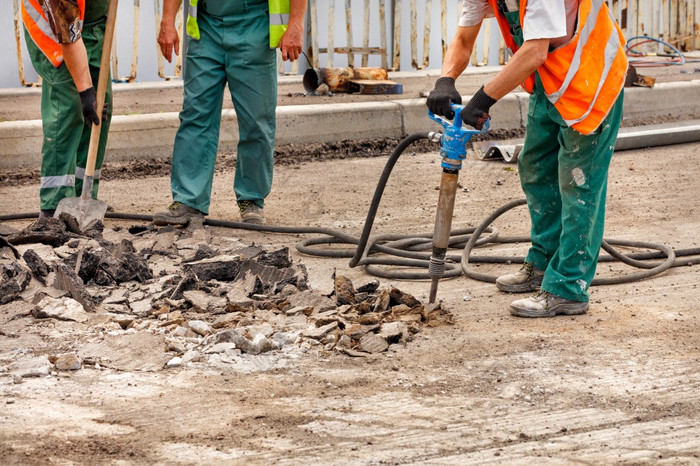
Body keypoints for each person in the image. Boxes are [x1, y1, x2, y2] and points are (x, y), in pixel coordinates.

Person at [427, 0, 627, 318]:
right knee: (534, 165)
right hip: (550, 84)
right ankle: (543, 263)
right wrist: (445, 80)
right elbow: (464, 39)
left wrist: (482, 100)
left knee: (578, 181)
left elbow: (534, 51)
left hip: (591, 80)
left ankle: (568, 288)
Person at [153, 0, 306, 226]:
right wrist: (167, 20)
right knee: (195, 115)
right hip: (206, 26)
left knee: (256, 119)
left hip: (254, 24)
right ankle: (188, 200)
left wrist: (296, 25)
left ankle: (252, 198)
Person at [22, 0, 112, 219]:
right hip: (55, 30)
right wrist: (85, 90)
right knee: (69, 109)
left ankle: (85, 195)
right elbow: (67, 32)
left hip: (95, 26)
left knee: (101, 109)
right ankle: (55, 203)